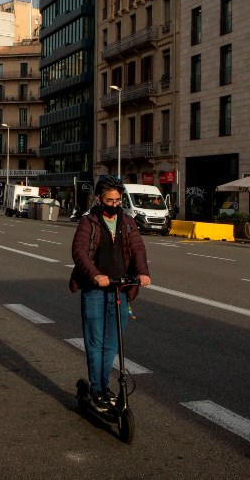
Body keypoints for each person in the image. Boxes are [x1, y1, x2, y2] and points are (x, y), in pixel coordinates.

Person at [70, 175, 151, 412]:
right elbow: (79, 252)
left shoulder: (127, 221)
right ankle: (97, 388)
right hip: (95, 289)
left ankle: (104, 387)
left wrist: (143, 273)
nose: (114, 205)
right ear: (99, 198)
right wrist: (95, 274)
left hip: (120, 288)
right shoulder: (89, 221)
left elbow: (137, 248)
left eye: (118, 200)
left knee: (112, 344)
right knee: (95, 342)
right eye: (110, 200)